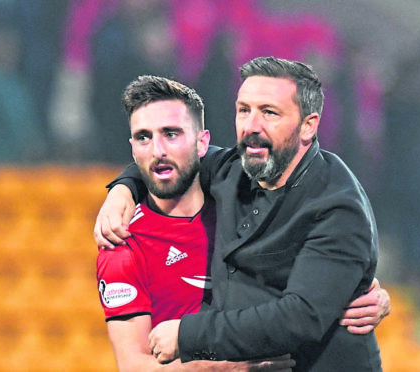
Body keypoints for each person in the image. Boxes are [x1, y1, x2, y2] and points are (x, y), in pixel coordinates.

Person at [95, 57, 388, 371]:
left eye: (269, 113)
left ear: (308, 125)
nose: (251, 127)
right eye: (244, 110)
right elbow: (170, 159)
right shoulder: (235, 169)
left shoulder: (336, 206)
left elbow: (299, 317)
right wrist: (121, 190)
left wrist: (188, 335)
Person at [97, 75, 296, 371]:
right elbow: (133, 366)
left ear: (202, 143)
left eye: (171, 134)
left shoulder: (245, 209)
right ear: (132, 148)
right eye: (144, 137)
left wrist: (369, 293)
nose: (157, 150)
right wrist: (229, 366)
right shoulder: (123, 245)